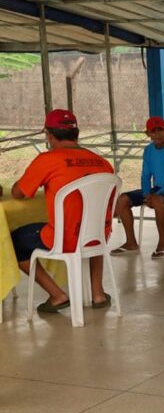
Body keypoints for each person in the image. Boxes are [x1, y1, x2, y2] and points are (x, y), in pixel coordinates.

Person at [9, 109, 115, 313]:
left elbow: (17, 193)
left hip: (65, 238)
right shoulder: (103, 163)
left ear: (49, 135)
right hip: (100, 235)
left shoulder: (48, 160)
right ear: (77, 134)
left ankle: (57, 295)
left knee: (14, 242)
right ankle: (98, 294)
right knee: (91, 228)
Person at [111, 116, 164, 258]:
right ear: (147, 134)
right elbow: (145, 176)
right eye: (152, 131)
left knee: (157, 200)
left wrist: (155, 195)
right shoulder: (148, 151)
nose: (157, 134)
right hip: (158, 189)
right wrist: (146, 194)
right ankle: (131, 243)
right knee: (123, 199)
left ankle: (162, 244)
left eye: (160, 130)